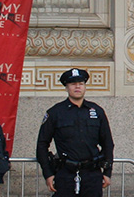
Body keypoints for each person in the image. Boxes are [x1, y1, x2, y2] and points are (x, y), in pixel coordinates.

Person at [36, 68, 115, 197]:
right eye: (73, 84)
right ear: (66, 87)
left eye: (81, 83)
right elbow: (42, 144)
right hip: (65, 174)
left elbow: (108, 143)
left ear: (85, 86)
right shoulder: (55, 113)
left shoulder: (97, 111)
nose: (77, 87)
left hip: (92, 174)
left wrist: (107, 172)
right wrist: (48, 174)